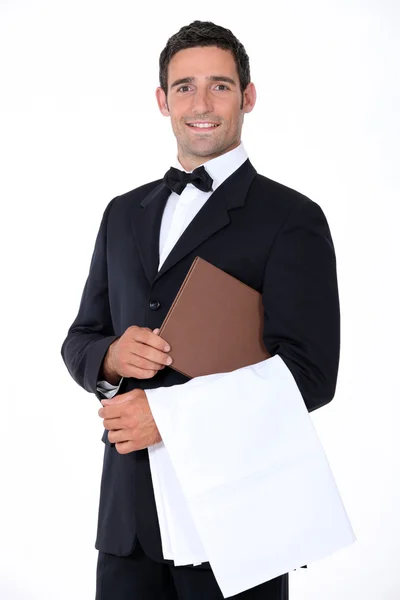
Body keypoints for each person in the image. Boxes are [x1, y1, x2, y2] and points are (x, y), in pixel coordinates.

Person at [61, 19, 340, 600]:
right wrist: (109, 358)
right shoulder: (122, 213)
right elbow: (81, 337)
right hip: (128, 522)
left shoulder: (293, 217)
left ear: (249, 96)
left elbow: (311, 376)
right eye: (184, 87)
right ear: (163, 101)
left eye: (220, 85)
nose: (202, 103)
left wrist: (172, 418)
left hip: (235, 524)